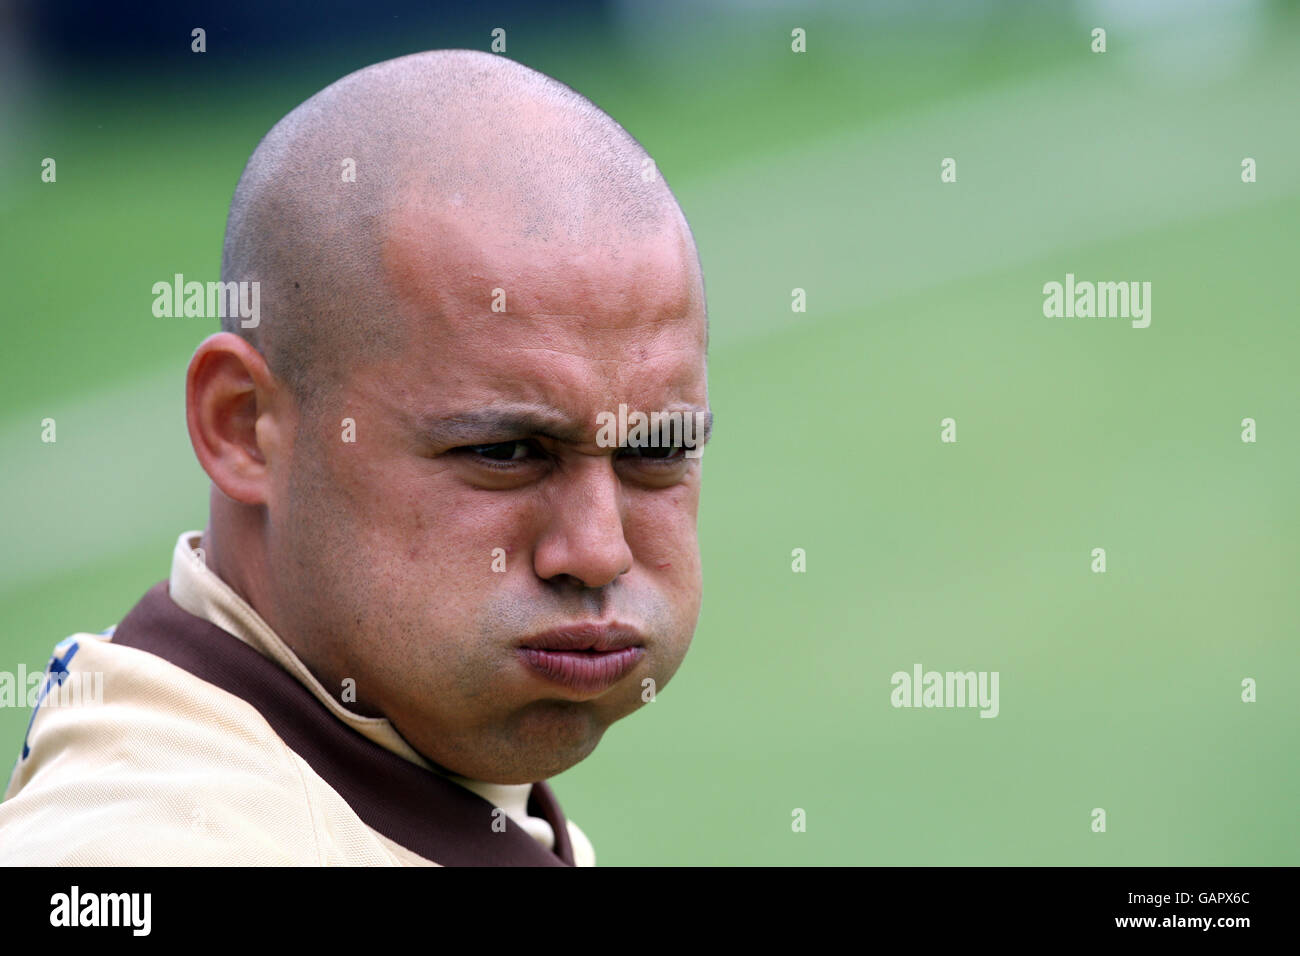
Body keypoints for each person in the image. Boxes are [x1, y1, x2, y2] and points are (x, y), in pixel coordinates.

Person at [0, 48, 711, 866]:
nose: (596, 552)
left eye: (657, 448)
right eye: (504, 450)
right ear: (243, 426)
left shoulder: (395, 786)